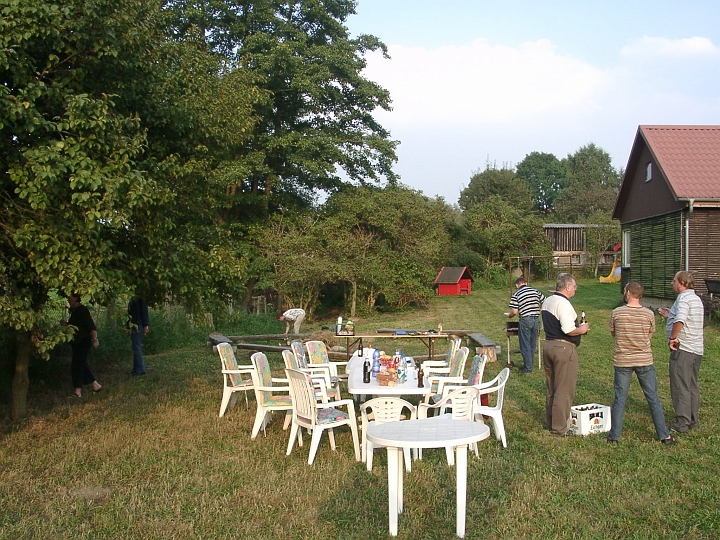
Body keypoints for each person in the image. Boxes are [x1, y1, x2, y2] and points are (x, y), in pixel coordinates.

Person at [607, 281, 674, 445]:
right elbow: (649, 335)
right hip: (644, 360)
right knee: (653, 398)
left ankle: (614, 436)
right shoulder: (648, 314)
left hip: (623, 361)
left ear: (628, 293)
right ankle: (664, 435)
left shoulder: (617, 313)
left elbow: (613, 333)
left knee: (620, 399)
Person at [541, 273, 589, 436]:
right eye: (574, 286)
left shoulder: (548, 300)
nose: (575, 289)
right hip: (563, 349)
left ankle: (551, 420)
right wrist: (582, 330)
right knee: (563, 389)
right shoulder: (564, 304)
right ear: (567, 287)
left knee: (551, 386)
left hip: (548, 345)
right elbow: (568, 329)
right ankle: (560, 427)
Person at [658, 271, 704, 434]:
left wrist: (673, 337)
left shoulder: (684, 298)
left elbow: (681, 320)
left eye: (674, 281)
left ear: (682, 283)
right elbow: (684, 317)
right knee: (691, 384)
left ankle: (682, 422)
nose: (672, 283)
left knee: (680, 385)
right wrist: (669, 314)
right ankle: (692, 419)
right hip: (696, 349)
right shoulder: (695, 298)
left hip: (683, 348)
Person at [60, 293, 102, 398]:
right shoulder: (75, 311)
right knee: (81, 364)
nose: (68, 299)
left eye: (70, 297)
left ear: (75, 298)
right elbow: (76, 325)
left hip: (83, 341)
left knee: (77, 365)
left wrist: (95, 339)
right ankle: (95, 385)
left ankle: (77, 391)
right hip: (76, 342)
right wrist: (66, 324)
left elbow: (90, 325)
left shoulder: (82, 310)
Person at [505, 276, 545, 373]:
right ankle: (529, 364)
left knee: (524, 344)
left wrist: (508, 315)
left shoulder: (516, 294)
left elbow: (514, 312)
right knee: (532, 343)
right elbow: (545, 301)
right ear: (526, 283)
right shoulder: (535, 291)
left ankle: (528, 368)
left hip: (525, 320)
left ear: (517, 285)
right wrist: (539, 309)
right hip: (536, 320)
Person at [128, 297, 150, 376]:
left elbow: (144, 311)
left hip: (139, 324)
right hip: (134, 324)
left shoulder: (140, 298)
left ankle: (140, 369)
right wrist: (128, 326)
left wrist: (146, 325)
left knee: (137, 346)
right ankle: (136, 368)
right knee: (135, 346)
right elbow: (129, 314)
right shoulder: (132, 299)